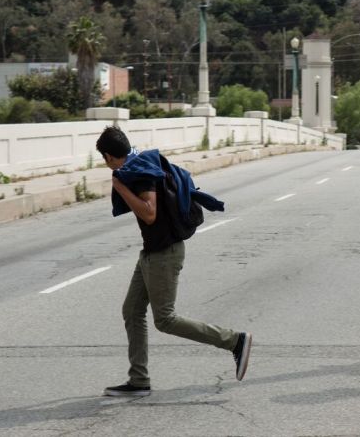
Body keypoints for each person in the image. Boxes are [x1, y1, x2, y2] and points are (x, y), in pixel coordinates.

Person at [96, 126, 252, 397]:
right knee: (132, 311)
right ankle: (139, 380)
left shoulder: (137, 172)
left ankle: (234, 341)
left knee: (165, 319)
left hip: (164, 254)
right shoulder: (138, 163)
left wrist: (120, 187)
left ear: (109, 156)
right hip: (151, 252)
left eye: (104, 159)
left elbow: (149, 213)